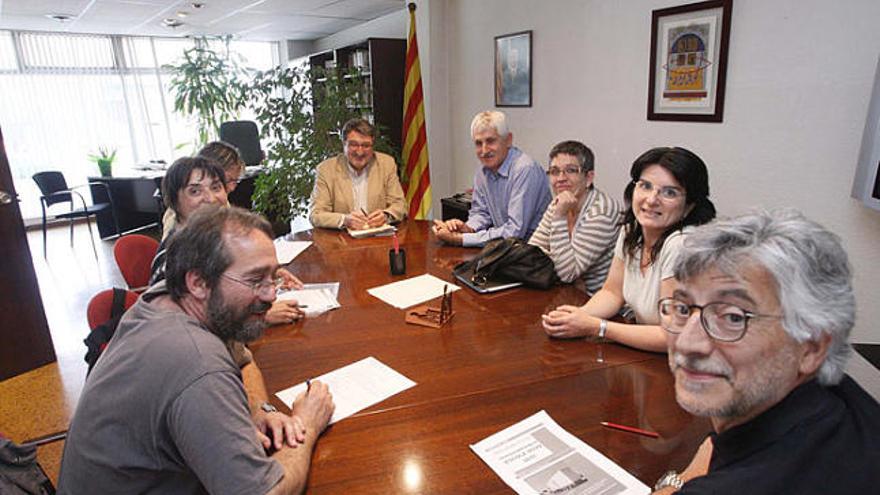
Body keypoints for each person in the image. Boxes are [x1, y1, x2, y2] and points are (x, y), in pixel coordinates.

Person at [58, 206, 335, 494]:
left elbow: (242, 358)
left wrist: (258, 408)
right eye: (255, 280)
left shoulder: (167, 297)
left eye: (273, 277)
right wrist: (307, 423)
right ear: (199, 282)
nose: (271, 294)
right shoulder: (197, 362)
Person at [653, 209, 880, 494]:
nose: (687, 343)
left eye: (733, 317)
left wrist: (677, 482)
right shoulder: (842, 401)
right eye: (683, 309)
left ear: (811, 347)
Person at [541, 147, 715, 352]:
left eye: (669, 192)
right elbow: (612, 292)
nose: (651, 200)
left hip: (686, 362)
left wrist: (597, 327)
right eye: (645, 186)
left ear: (690, 205)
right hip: (645, 350)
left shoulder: (681, 245)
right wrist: (578, 317)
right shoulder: (633, 230)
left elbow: (672, 335)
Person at [151, 156, 305, 325]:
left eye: (216, 187)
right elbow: (176, 326)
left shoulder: (209, 240)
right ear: (174, 201)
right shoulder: (171, 259)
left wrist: (263, 276)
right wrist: (260, 316)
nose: (210, 198)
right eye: (195, 191)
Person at [433, 110, 551, 247]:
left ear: (508, 140)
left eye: (490, 141)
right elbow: (481, 213)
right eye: (478, 143)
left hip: (534, 255)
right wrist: (467, 228)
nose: (484, 150)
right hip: (506, 251)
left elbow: (515, 232)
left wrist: (462, 239)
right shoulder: (482, 172)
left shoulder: (525, 170)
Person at [528, 140, 622, 295]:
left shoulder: (602, 212)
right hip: (567, 291)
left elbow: (566, 274)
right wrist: (570, 273)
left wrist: (559, 217)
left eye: (571, 170)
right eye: (554, 171)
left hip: (596, 301)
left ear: (589, 177)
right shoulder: (560, 201)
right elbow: (531, 253)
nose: (560, 178)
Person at [308, 118, 406, 230]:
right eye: (353, 144)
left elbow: (400, 205)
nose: (360, 152)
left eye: (366, 145)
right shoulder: (326, 169)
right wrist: (345, 220)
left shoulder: (386, 164)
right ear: (344, 144)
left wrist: (386, 215)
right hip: (341, 241)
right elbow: (316, 215)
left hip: (378, 238)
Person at [161, 140, 245, 238]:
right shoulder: (174, 219)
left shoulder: (221, 205)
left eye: (215, 187)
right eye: (195, 191)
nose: (232, 188)